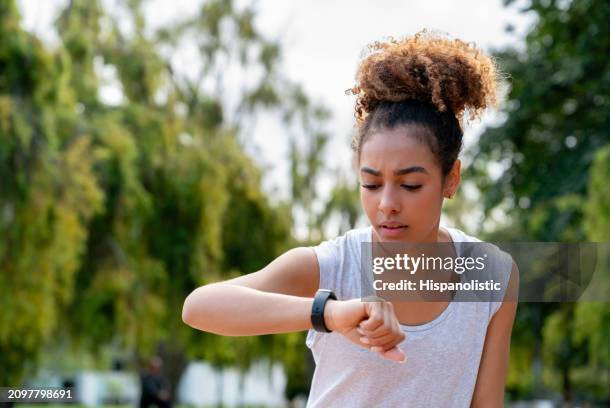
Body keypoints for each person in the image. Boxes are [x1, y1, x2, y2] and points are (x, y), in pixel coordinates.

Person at [182, 29, 519, 407]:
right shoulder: (334, 266)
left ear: (451, 178)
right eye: (371, 184)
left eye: (409, 185)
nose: (386, 204)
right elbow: (199, 307)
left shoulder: (492, 276)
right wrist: (329, 312)